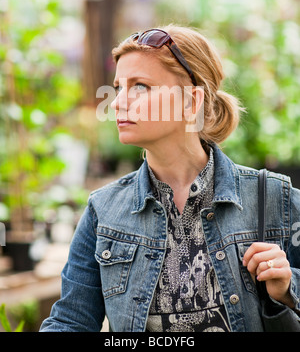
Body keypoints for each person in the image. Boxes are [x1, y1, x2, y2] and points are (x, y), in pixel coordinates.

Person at [40, 25, 300, 332]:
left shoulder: (273, 197)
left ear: (191, 102)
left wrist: (288, 287)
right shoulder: (104, 211)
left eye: (140, 87)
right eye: (119, 87)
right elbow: (71, 322)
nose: (117, 102)